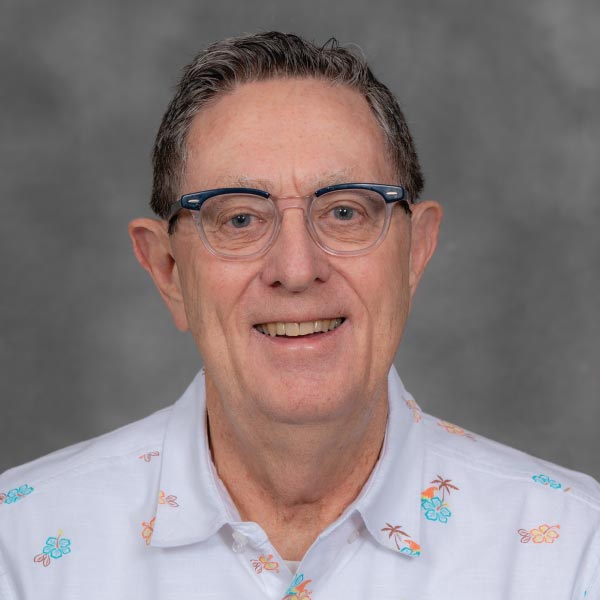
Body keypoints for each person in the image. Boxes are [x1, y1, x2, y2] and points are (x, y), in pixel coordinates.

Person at [0, 31, 598, 600]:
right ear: (169, 271)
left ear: (415, 252)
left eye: (344, 212)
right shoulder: (18, 549)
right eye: (239, 218)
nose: (296, 267)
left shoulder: (575, 551)